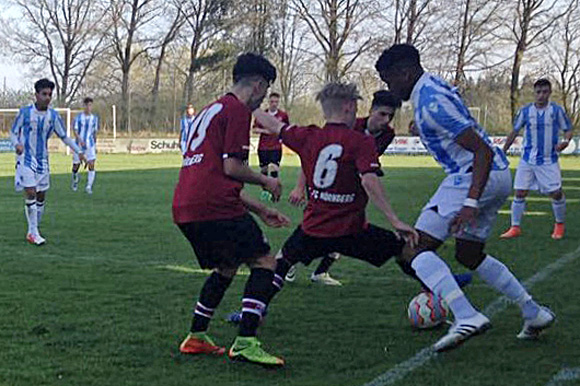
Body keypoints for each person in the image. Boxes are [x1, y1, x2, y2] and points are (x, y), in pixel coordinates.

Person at [375, 44, 554, 352]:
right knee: (469, 254)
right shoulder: (432, 87)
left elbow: (480, 150)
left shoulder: (430, 101)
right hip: (495, 174)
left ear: (405, 72)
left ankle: (465, 314)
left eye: (390, 80)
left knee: (412, 250)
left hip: (472, 175)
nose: (390, 88)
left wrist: (470, 202)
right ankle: (533, 312)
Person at [251, 82, 419, 344]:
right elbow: (369, 181)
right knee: (403, 249)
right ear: (349, 107)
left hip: (314, 228)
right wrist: (394, 219)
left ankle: (254, 313)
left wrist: (250, 104)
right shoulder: (360, 140)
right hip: (351, 229)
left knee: (281, 262)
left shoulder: (308, 135)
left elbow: (274, 126)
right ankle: (442, 291)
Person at [172, 53, 290, 366]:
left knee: (227, 266)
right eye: (263, 92)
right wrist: (266, 181)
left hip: (187, 206)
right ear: (258, 84)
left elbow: (214, 177)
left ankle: (196, 336)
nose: (262, 99)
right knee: (265, 261)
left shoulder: (211, 109)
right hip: (214, 206)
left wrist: (259, 210)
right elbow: (232, 167)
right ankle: (246, 342)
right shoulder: (237, 110)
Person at [285, 90, 402, 286]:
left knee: (345, 229)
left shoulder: (388, 134)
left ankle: (319, 271)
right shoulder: (350, 125)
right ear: (371, 110)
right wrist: (299, 187)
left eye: (390, 116)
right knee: (321, 228)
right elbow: (313, 157)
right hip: (328, 185)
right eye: (382, 114)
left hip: (352, 185)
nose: (386, 120)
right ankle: (289, 262)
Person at [11, 78, 85, 245]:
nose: (47, 97)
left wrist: (78, 151)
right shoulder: (24, 113)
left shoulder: (53, 116)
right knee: (30, 192)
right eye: (44, 94)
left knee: (41, 196)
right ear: (36, 95)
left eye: (50, 94)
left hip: (43, 160)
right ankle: (34, 232)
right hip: (26, 159)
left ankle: (32, 230)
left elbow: (64, 136)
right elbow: (14, 132)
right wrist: (16, 144)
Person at [500, 78, 573, 240]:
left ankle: (559, 224)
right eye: (538, 92)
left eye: (545, 92)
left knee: (555, 193)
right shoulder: (526, 111)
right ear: (534, 93)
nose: (541, 95)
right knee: (520, 191)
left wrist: (565, 142)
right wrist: (503, 150)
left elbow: (568, 129)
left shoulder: (556, 110)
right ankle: (515, 226)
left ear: (550, 93)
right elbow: (515, 131)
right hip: (527, 159)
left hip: (548, 160)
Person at [255, 92, 289, 201]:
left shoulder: (283, 115)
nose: (274, 104)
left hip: (276, 147)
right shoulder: (263, 115)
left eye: (276, 102)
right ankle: (265, 193)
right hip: (263, 147)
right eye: (272, 101)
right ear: (268, 102)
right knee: (264, 171)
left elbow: (286, 128)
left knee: (274, 169)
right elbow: (254, 129)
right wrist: (267, 130)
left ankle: (275, 194)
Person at [71, 97, 99, 194]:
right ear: (84, 106)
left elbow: (95, 133)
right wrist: (79, 140)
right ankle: (75, 180)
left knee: (91, 164)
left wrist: (95, 145)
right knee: (76, 166)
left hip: (90, 145)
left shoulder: (94, 118)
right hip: (78, 145)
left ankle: (89, 186)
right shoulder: (78, 118)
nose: (88, 107)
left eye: (90, 105)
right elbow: (75, 131)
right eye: (87, 105)